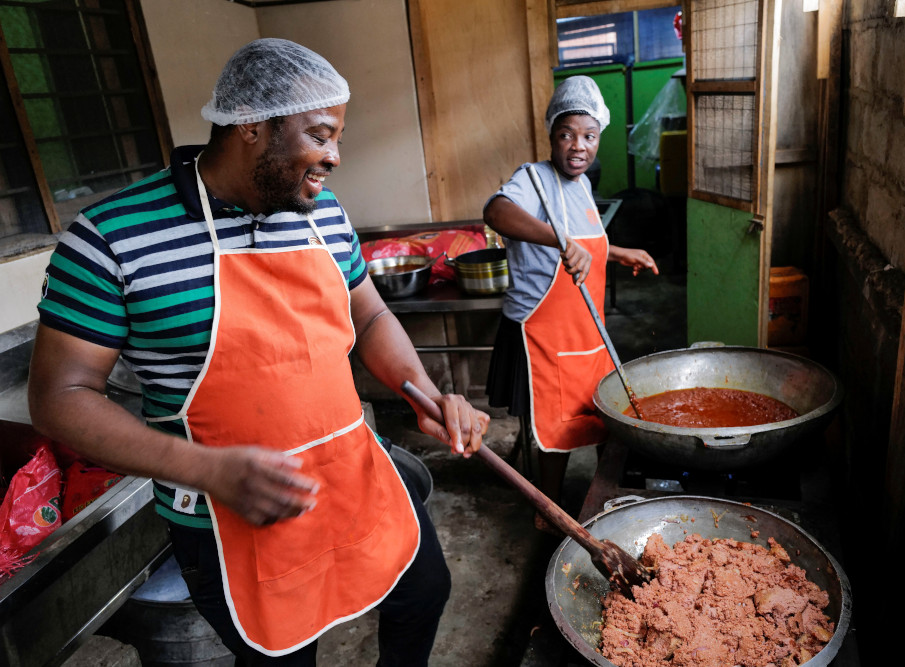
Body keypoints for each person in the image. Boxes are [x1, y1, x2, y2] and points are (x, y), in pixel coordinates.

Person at [28, 38, 488, 666]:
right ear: (251, 124)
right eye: (320, 135)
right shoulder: (110, 237)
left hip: (355, 476)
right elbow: (61, 398)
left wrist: (423, 390)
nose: (334, 156)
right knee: (284, 655)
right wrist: (207, 469)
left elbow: (371, 313)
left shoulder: (322, 212)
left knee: (423, 594)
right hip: (230, 516)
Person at [483, 76, 658, 532]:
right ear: (551, 136)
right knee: (555, 425)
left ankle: (611, 496)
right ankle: (549, 512)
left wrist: (619, 253)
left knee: (601, 416)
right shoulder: (533, 178)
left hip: (586, 328)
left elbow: (587, 244)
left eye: (588, 136)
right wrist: (557, 239)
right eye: (566, 135)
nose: (577, 146)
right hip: (542, 332)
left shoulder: (581, 185)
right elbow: (495, 212)